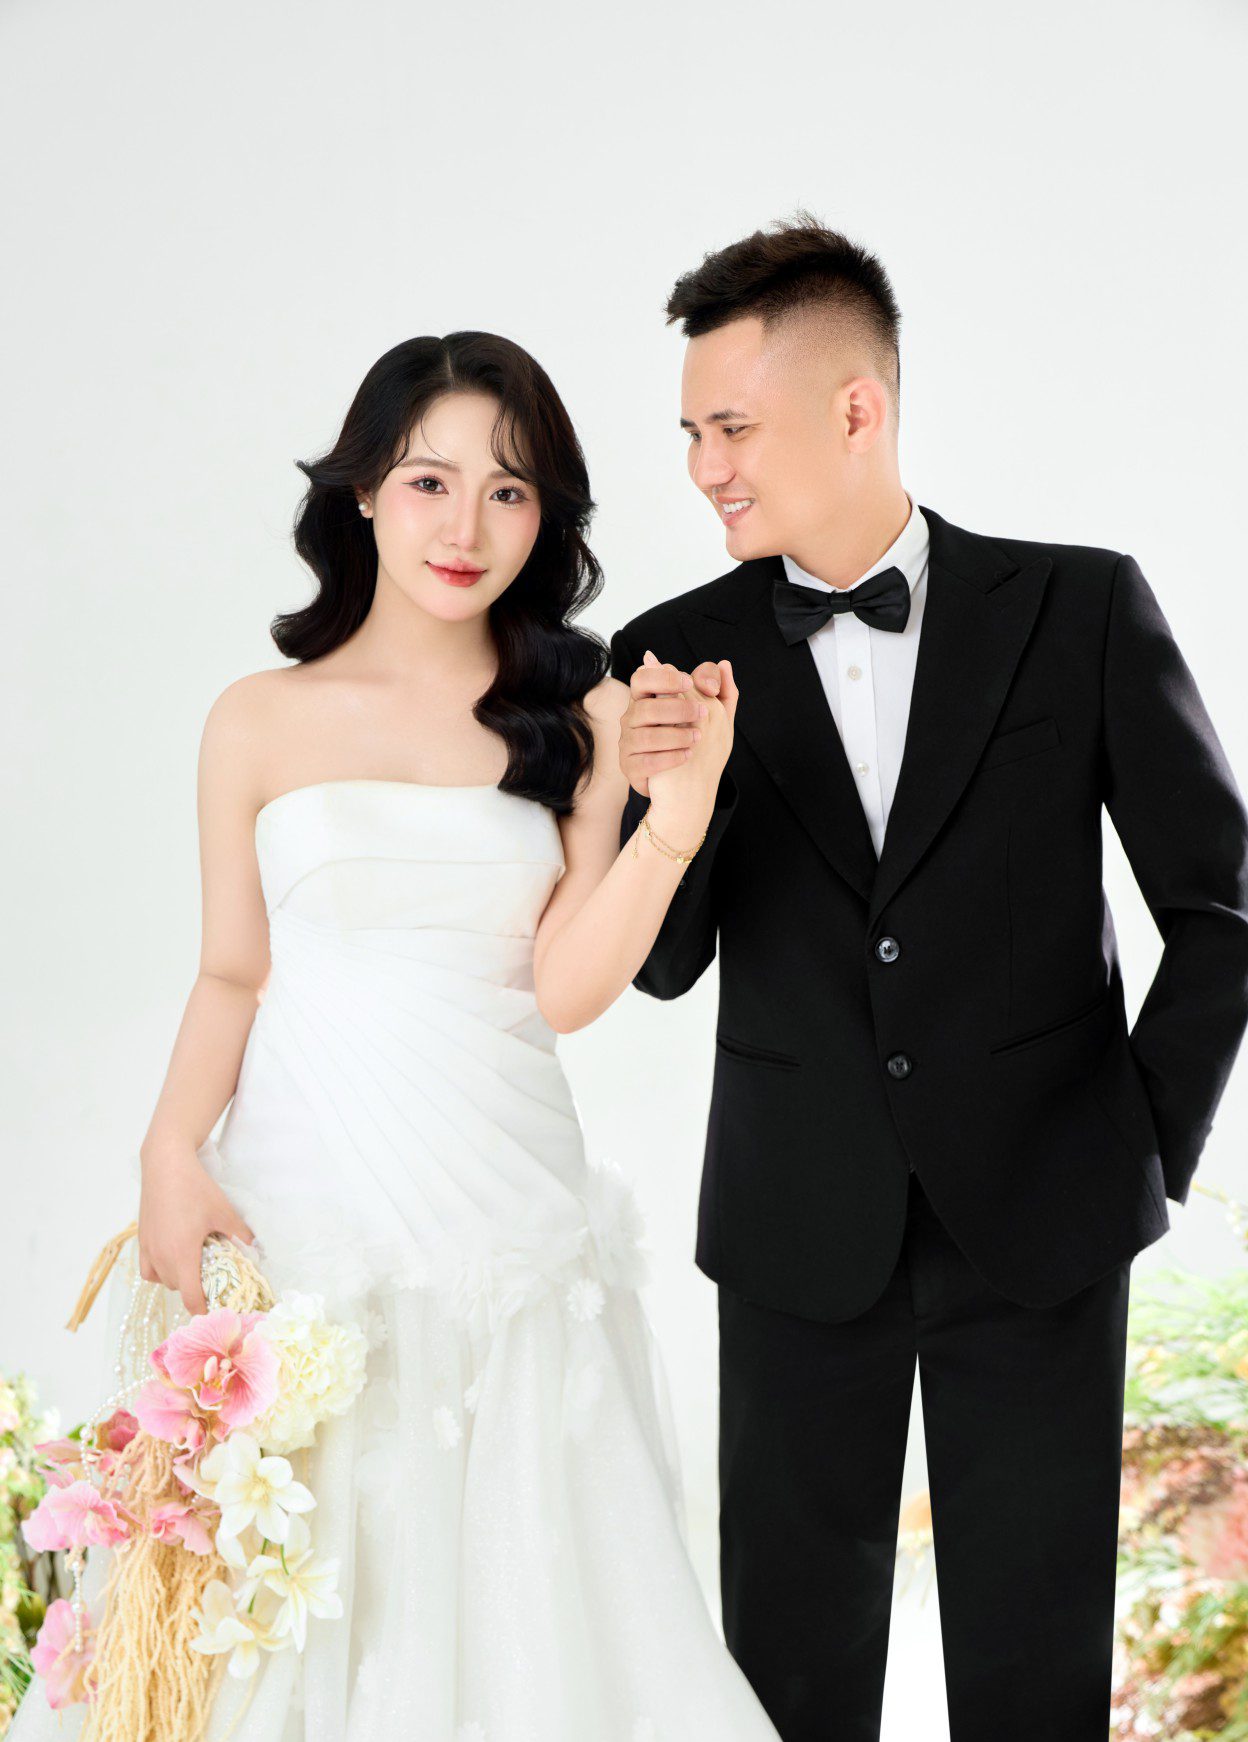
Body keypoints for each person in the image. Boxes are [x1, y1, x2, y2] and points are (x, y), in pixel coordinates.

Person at [9, 333, 780, 1741]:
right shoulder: (257, 720)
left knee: (527, 1600)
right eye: (430, 481)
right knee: (305, 1591)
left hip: (506, 1199)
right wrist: (169, 1151)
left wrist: (670, 821)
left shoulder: (576, 717)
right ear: (364, 491)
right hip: (306, 1204)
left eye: (509, 491)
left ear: (545, 520)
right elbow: (232, 969)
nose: (464, 525)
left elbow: (562, 987)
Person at [608, 215, 1248, 1742]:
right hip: (794, 1225)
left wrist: (1136, 1145)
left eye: (730, 427)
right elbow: (664, 964)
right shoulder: (670, 655)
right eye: (689, 434)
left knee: (1036, 1677)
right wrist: (674, 800)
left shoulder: (1078, 607)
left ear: (855, 407)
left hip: (1043, 1217)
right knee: (783, 1680)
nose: (704, 467)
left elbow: (1218, 904)